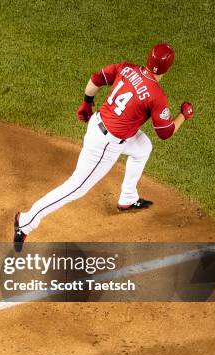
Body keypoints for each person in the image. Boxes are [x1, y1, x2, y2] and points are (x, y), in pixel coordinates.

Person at [14, 43, 195, 252]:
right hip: (105, 145)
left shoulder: (127, 68)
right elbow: (166, 132)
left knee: (143, 147)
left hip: (100, 123)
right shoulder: (157, 96)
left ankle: (128, 197)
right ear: (168, 69)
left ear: (147, 59)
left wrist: (87, 102)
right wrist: (184, 115)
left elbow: (97, 78)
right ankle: (26, 221)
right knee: (76, 187)